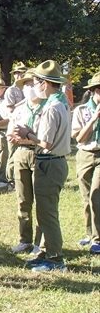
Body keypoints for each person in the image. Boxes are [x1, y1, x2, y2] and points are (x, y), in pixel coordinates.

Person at [15, 60, 71, 272]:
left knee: (47, 214)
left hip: (49, 162)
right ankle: (46, 253)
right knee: (46, 211)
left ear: (45, 83)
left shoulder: (51, 107)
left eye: (36, 81)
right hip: (56, 162)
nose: (34, 86)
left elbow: (45, 143)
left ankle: (56, 259)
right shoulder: (62, 102)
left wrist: (27, 134)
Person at [7, 69, 46, 254]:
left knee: (41, 200)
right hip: (21, 154)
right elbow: (10, 133)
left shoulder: (47, 107)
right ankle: (25, 240)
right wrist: (24, 138)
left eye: (32, 84)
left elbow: (45, 139)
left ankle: (40, 242)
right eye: (26, 85)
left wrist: (25, 138)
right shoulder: (20, 108)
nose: (29, 88)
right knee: (23, 199)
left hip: (41, 154)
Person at [71, 72, 100, 254]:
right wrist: (94, 119)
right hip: (85, 154)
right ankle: (89, 234)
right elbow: (79, 139)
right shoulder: (81, 111)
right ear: (95, 92)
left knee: (96, 196)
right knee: (86, 197)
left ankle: (98, 239)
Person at [4, 62, 28, 184]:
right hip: (15, 124)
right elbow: (10, 110)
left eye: (23, 73)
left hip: (27, 124)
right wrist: (25, 102)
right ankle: (10, 180)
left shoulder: (29, 89)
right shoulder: (11, 90)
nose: (20, 76)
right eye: (18, 73)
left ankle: (20, 178)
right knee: (13, 152)